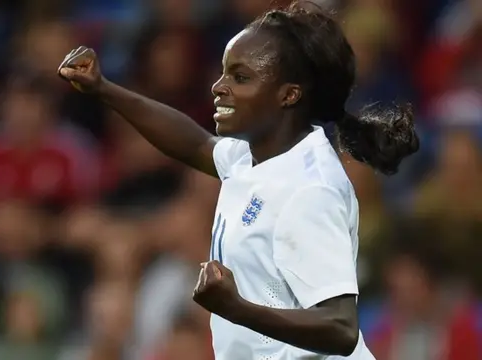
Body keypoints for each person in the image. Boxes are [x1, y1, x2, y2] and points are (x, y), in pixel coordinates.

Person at [58, 3, 419, 359]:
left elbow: (341, 329)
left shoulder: (310, 189)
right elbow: (196, 143)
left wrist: (237, 307)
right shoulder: (256, 153)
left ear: (289, 94)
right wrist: (103, 88)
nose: (218, 86)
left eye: (240, 77)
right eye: (224, 72)